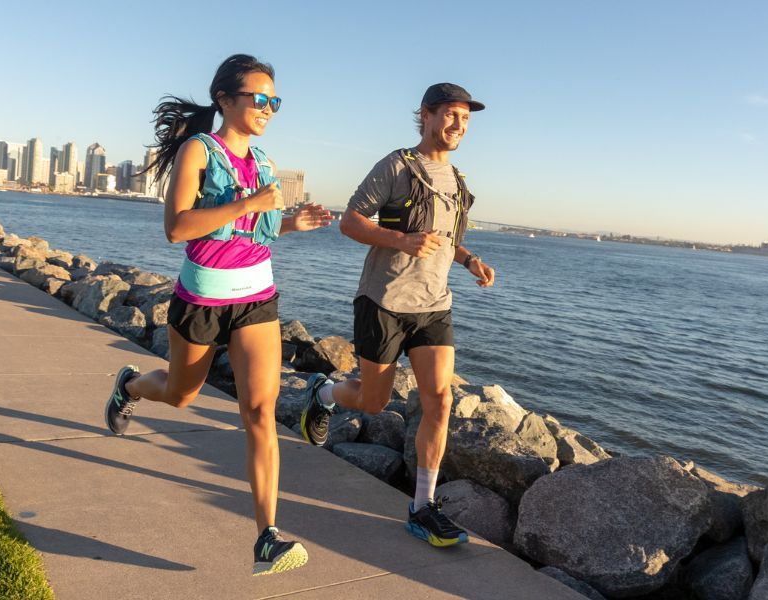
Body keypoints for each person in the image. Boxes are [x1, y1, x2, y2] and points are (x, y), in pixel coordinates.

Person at [103, 54, 332, 576]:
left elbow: (261, 231)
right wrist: (247, 204)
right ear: (225, 99)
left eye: (275, 100)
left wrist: (292, 222)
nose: (268, 108)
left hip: (257, 298)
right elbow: (178, 227)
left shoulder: (265, 164)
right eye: (259, 98)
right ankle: (132, 386)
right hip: (203, 299)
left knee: (259, 411)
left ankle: (267, 538)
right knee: (181, 395)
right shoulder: (198, 151)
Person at [299, 83, 496, 547]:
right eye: (450, 115)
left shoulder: (460, 182)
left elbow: (448, 238)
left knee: (440, 400)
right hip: (383, 302)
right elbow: (351, 221)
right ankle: (323, 393)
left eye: (465, 120)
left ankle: (422, 507)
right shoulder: (396, 166)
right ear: (426, 116)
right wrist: (402, 241)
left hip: (434, 306)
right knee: (373, 401)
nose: (458, 126)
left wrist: (469, 262)